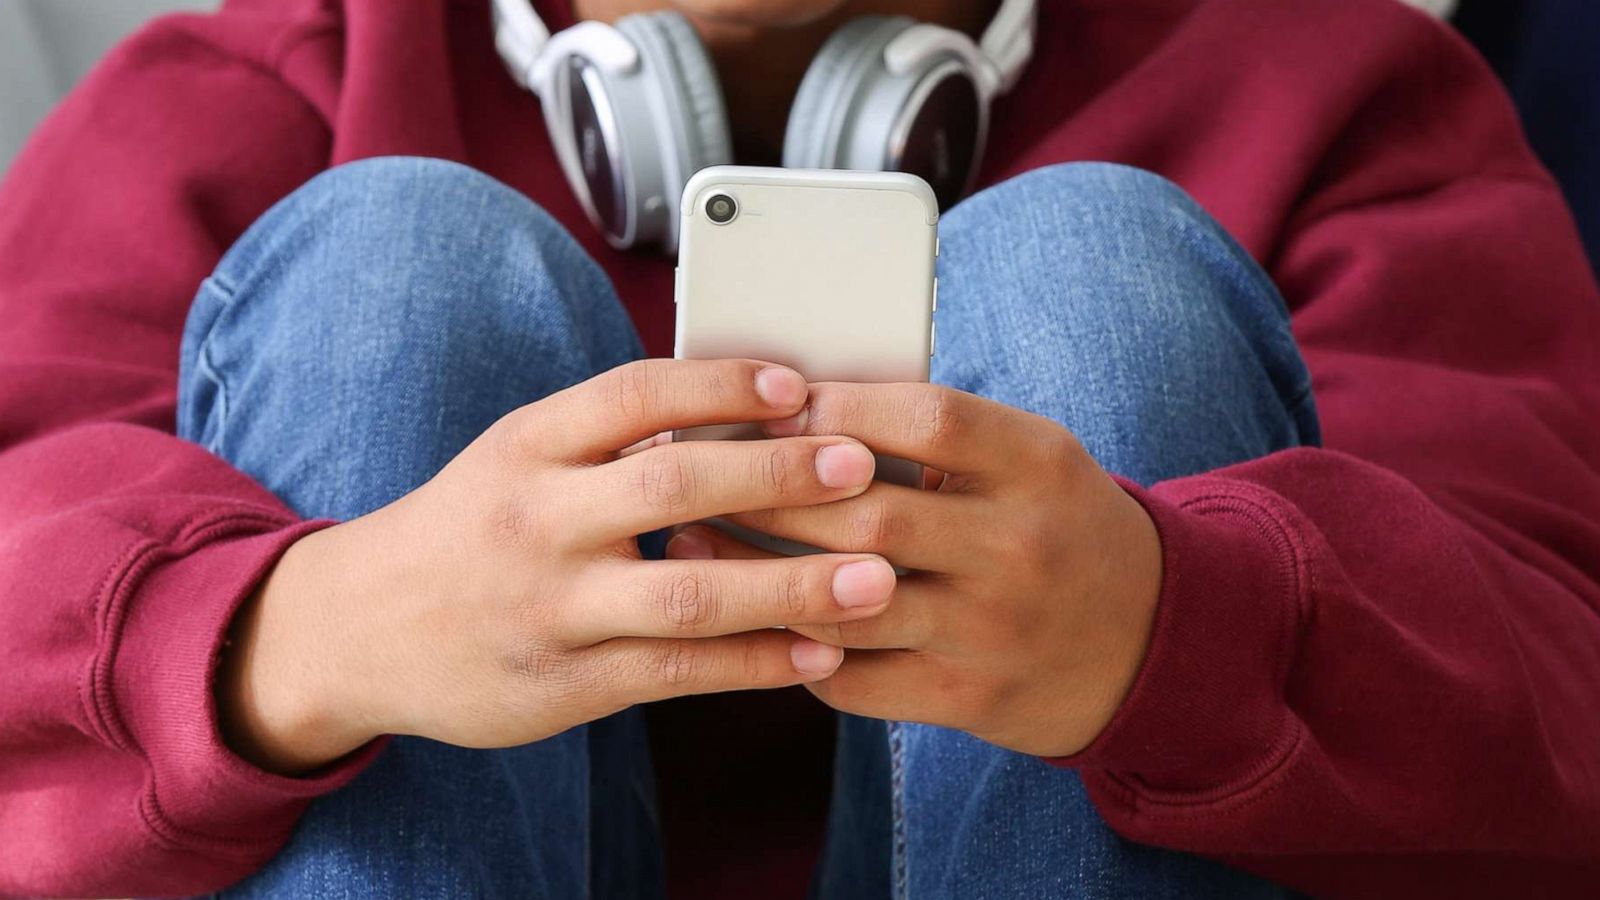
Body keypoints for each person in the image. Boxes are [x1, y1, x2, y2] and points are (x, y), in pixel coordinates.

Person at [1, 0, 1597, 897]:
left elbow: (1566, 710)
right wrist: (298, 638)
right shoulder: (242, 94)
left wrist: (1191, 629)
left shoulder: (1336, 92)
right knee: (395, 264)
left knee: (1092, 267)